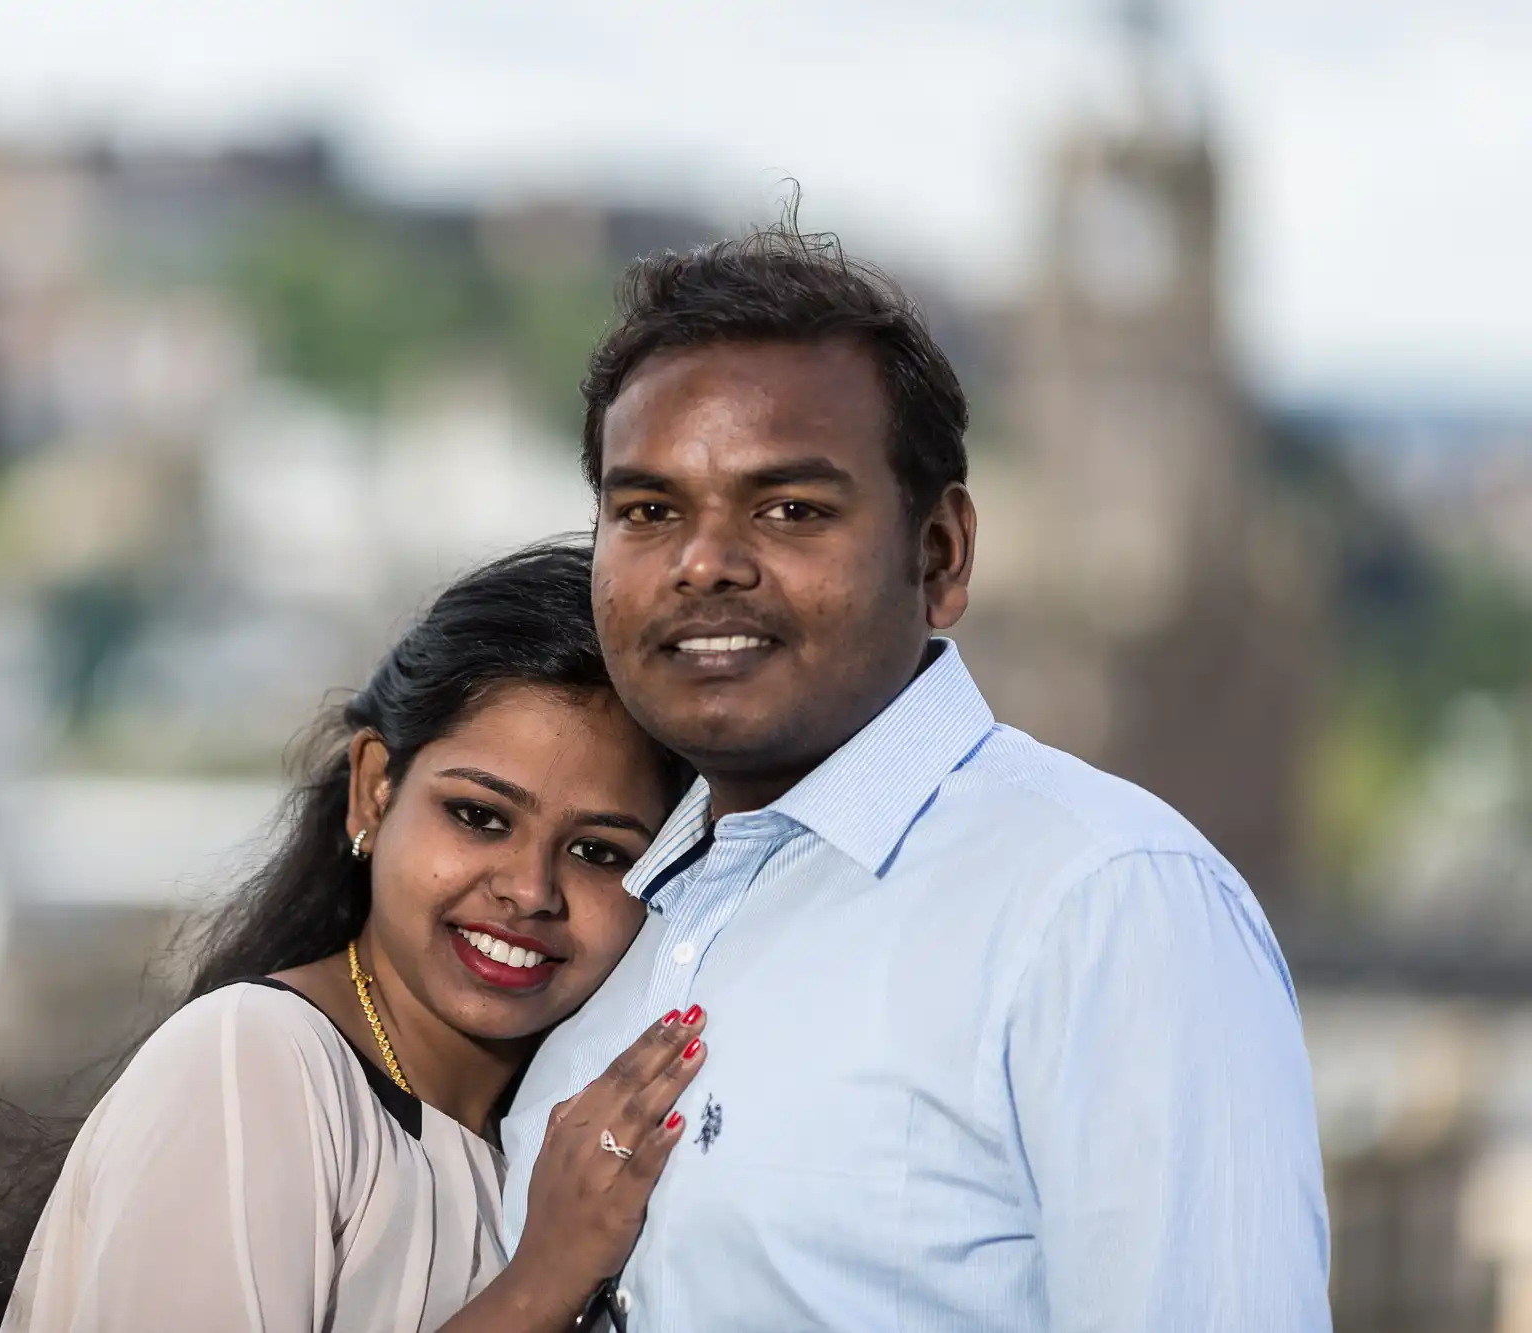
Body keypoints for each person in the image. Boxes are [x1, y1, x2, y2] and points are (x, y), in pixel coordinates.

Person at [500, 223, 1333, 1331]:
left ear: (938, 555)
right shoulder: (594, 933)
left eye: (789, 508)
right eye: (647, 511)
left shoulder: (1102, 907)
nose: (702, 562)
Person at [0, 543, 713, 1333]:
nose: (528, 889)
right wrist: (541, 1283)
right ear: (375, 788)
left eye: (595, 849)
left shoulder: (529, 1149)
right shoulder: (257, 1067)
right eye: (479, 817)